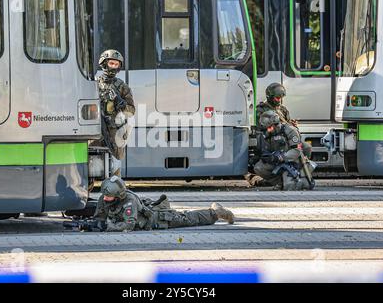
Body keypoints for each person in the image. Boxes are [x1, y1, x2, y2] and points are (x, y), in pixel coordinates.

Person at [67, 176, 235, 233]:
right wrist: (91, 225)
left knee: (187, 218)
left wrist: (107, 227)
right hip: (143, 216)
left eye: (109, 196)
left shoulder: (129, 201)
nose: (105, 199)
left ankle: (216, 212)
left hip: (156, 219)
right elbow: (100, 217)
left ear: (119, 196)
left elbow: (129, 225)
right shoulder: (106, 198)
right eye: (105, 195)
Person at [253, 110, 316, 191]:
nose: (268, 130)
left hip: (293, 162)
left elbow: (297, 150)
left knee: (290, 186)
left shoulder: (290, 130)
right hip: (278, 162)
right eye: (266, 128)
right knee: (259, 167)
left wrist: (281, 157)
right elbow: (266, 150)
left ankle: (298, 180)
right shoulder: (268, 134)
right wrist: (264, 156)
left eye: (270, 127)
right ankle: (280, 182)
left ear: (276, 124)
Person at [97, 50, 135, 176]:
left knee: (115, 166)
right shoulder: (94, 83)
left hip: (115, 130)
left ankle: (114, 192)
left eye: (116, 64)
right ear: (104, 63)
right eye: (111, 63)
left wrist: (121, 103)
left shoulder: (122, 87)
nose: (113, 66)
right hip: (96, 128)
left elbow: (131, 111)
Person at [256, 83, 312, 158]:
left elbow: (288, 123)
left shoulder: (283, 109)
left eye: (281, 98)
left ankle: (300, 167)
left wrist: (291, 124)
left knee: (306, 147)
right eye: (277, 98)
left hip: (287, 137)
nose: (280, 100)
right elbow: (262, 128)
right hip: (272, 139)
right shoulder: (261, 109)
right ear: (270, 97)